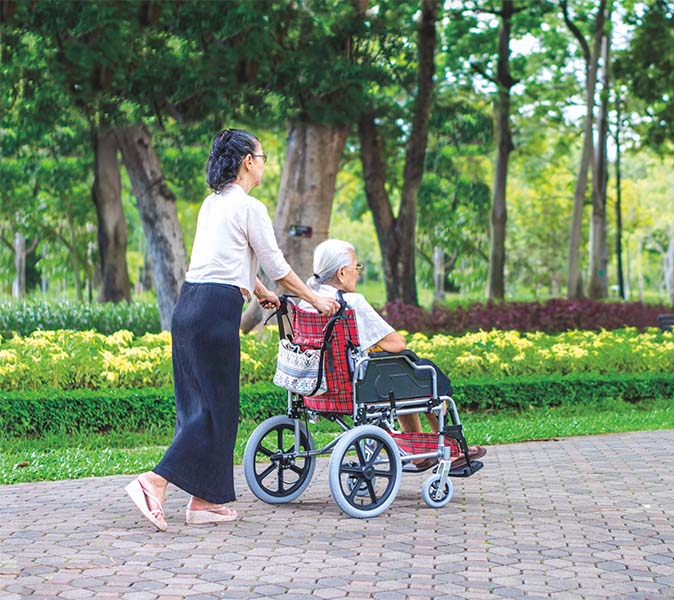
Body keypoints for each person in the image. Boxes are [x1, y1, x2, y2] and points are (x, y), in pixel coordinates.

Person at [125, 128, 339, 532]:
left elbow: (229, 257)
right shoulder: (250, 207)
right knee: (215, 410)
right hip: (215, 312)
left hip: (189, 306)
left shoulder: (213, 204)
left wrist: (258, 291)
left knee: (198, 407)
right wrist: (316, 299)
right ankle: (153, 483)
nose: (263, 165)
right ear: (247, 162)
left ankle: (206, 501)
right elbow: (277, 266)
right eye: (261, 157)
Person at [301, 239, 486, 471]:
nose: (358, 273)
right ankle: (453, 449)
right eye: (356, 267)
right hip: (359, 385)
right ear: (341, 272)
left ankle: (418, 452)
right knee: (423, 371)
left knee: (402, 372)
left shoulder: (306, 303)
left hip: (319, 387)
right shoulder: (351, 302)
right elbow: (397, 343)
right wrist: (376, 345)